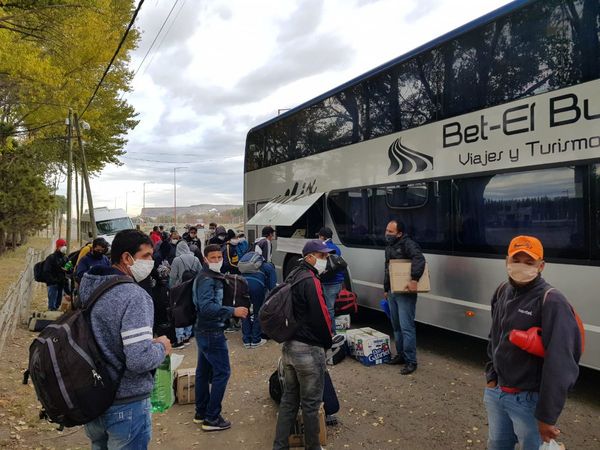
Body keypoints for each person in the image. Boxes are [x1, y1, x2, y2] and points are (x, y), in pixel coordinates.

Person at [484, 236, 582, 450]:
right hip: (497, 394)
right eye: (516, 260)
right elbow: (494, 335)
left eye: (529, 262)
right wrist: (491, 376)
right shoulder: (502, 291)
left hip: (528, 402)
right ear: (506, 261)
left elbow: (561, 364)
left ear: (541, 266)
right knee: (496, 445)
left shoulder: (551, 301)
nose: (521, 267)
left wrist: (547, 416)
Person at [78, 229, 172, 449]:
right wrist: (161, 347)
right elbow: (138, 360)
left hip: (93, 397)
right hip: (125, 403)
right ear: (127, 258)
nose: (151, 261)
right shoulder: (134, 296)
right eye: (146, 256)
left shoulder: (90, 285)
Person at [273, 240, 333, 450]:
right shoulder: (311, 280)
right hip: (308, 350)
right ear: (309, 257)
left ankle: (279, 445)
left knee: (289, 399)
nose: (325, 260)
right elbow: (322, 316)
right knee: (310, 404)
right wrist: (328, 342)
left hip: (289, 348)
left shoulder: (294, 274)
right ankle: (313, 447)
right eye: (322, 256)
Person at [192, 244, 248, 431]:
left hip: (203, 330)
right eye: (213, 258)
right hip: (211, 332)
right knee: (222, 372)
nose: (217, 260)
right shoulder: (207, 279)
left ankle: (201, 412)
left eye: (219, 257)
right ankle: (212, 418)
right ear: (205, 259)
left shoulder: (206, 275)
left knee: (203, 372)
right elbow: (207, 308)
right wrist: (234, 311)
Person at [383, 220, 425, 375]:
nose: (387, 234)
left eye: (391, 232)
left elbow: (419, 259)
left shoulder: (408, 244)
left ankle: (411, 361)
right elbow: (388, 268)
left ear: (399, 234)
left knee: (406, 327)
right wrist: (386, 288)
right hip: (393, 292)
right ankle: (400, 355)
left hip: (405, 293)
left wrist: (414, 280)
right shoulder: (389, 246)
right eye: (387, 230)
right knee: (396, 326)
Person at [240, 253, 276, 348]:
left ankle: (246, 340)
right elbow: (272, 287)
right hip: (257, 287)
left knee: (244, 312)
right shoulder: (269, 267)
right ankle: (256, 340)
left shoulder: (246, 265)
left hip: (242, 285)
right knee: (257, 312)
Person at [170, 240, 201, 348]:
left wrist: (171, 289)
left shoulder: (176, 260)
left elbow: (173, 277)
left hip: (180, 289)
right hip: (192, 288)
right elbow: (200, 272)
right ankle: (188, 336)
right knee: (190, 311)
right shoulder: (195, 259)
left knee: (179, 313)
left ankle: (180, 339)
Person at [317, 226, 345, 332]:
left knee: (328, 309)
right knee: (331, 307)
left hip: (329, 283)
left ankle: (332, 332)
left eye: (319, 236)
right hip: (337, 282)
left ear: (322, 237)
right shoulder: (336, 247)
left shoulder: (323, 247)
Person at [42, 238, 70, 311]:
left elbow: (70, 270)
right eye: (61, 245)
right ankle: (51, 313)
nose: (63, 247)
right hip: (53, 284)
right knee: (52, 305)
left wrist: (68, 270)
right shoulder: (51, 258)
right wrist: (53, 281)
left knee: (59, 303)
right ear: (57, 247)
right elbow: (46, 271)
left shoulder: (65, 258)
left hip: (61, 283)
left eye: (64, 245)